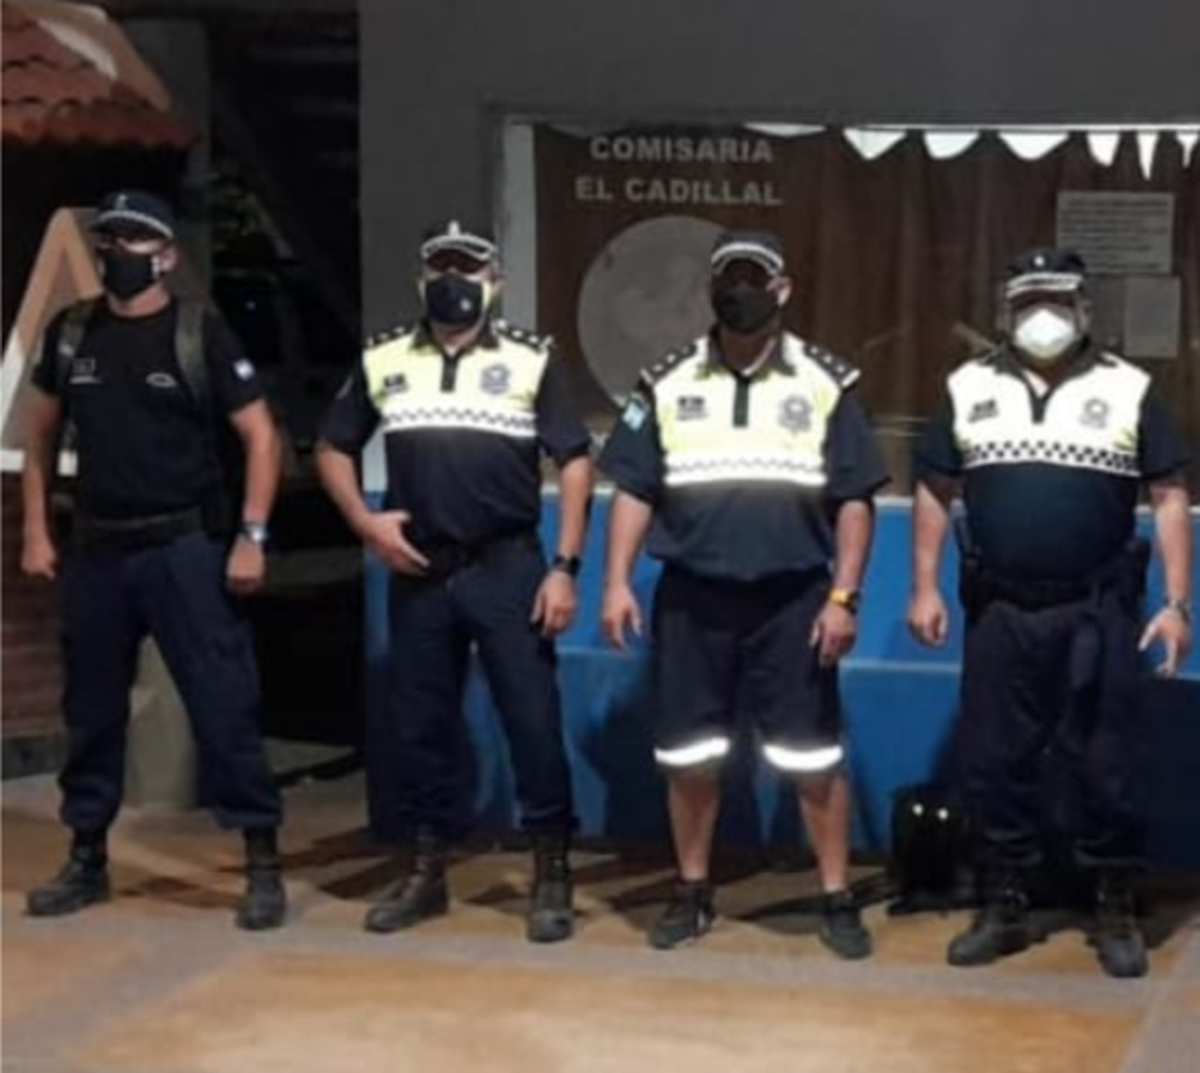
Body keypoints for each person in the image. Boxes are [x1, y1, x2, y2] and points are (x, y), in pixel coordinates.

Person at [599, 231, 888, 957]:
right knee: (689, 756)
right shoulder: (666, 380)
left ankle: (835, 896)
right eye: (728, 277)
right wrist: (615, 582)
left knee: (813, 759)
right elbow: (634, 489)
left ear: (782, 289)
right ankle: (692, 891)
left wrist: (845, 597)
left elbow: (855, 499)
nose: (740, 291)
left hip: (795, 603)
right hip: (693, 601)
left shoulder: (826, 381)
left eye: (755, 278)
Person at [908, 247, 1193, 978]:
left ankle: (1113, 901)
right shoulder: (968, 385)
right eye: (1029, 301)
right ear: (1007, 310)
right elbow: (935, 487)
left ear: (1083, 308)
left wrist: (1176, 602)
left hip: (1098, 607)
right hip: (1002, 607)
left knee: (1107, 760)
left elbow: (1168, 495)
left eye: (1058, 301)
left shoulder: (1130, 387)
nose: (1044, 316)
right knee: (993, 759)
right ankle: (1004, 900)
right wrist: (924, 586)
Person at [316, 220, 593, 943]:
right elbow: (332, 447)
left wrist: (565, 567)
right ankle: (425, 870)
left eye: (468, 267)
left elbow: (574, 460)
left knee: (532, 722)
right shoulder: (384, 357)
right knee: (420, 728)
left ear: (494, 283)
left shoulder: (531, 358)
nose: (453, 279)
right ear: (421, 279)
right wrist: (365, 523)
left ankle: (551, 871)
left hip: (508, 566)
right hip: (420, 571)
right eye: (440, 266)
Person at [21, 189, 287, 930]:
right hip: (98, 550)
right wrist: (37, 529)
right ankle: (86, 855)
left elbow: (262, 437)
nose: (118, 253)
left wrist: (252, 535)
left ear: (166, 255)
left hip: (185, 549)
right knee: (92, 710)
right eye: (110, 240)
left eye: (135, 241)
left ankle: (261, 860)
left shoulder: (199, 333)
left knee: (223, 704)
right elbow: (40, 435)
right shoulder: (73, 333)